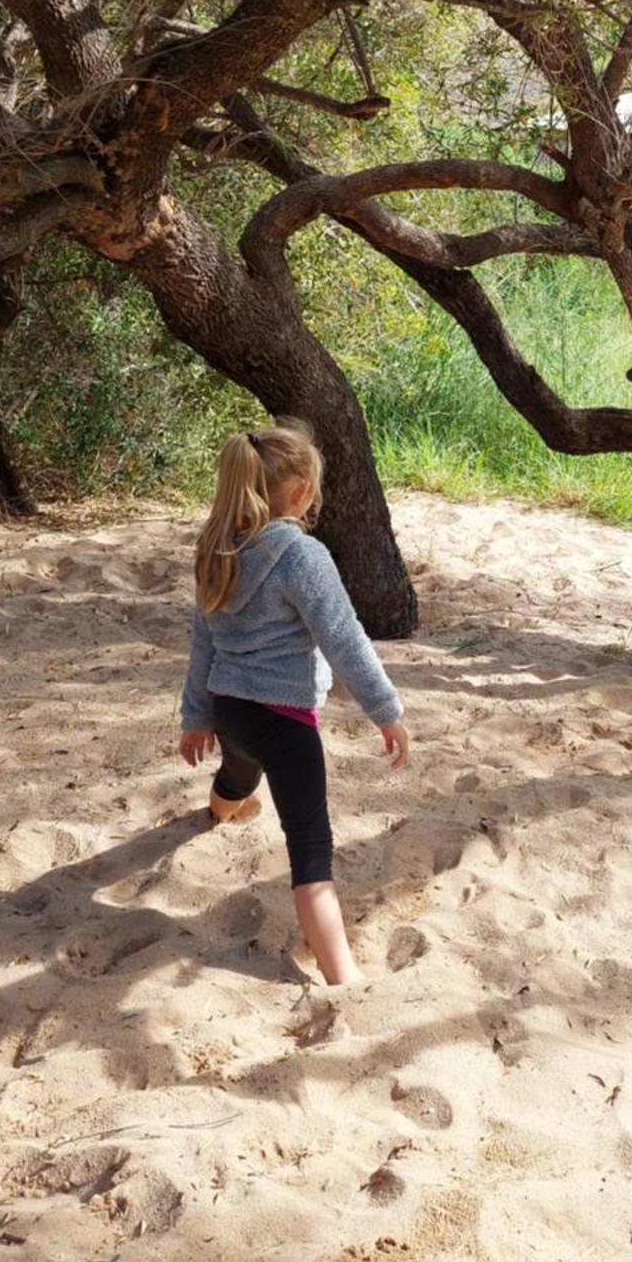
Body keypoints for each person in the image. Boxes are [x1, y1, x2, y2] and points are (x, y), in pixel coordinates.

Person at [178, 422, 409, 986]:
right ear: (302, 490)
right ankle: (343, 979)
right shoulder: (302, 557)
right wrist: (386, 710)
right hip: (285, 723)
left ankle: (219, 810)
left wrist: (196, 717)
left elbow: (203, 640)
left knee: (237, 775)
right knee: (311, 854)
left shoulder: (216, 548)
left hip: (229, 708)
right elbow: (344, 637)